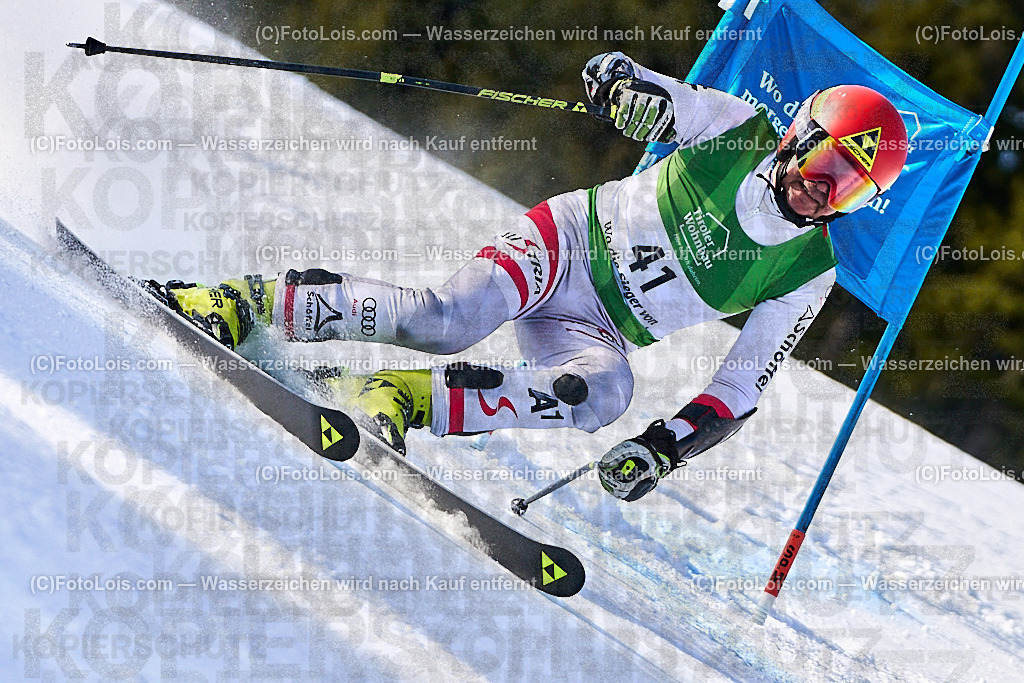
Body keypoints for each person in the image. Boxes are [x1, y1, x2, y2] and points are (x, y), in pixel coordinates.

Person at [161, 51, 908, 502]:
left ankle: (390, 396)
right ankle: (242, 300)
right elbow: (620, 78)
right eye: (825, 166)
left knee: (605, 394)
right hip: (568, 244)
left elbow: (740, 388)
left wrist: (664, 447)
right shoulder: (732, 125)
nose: (820, 192)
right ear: (798, 139)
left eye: (847, 190)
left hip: (598, 326)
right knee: (443, 321)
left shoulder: (808, 273)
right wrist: (624, 93)